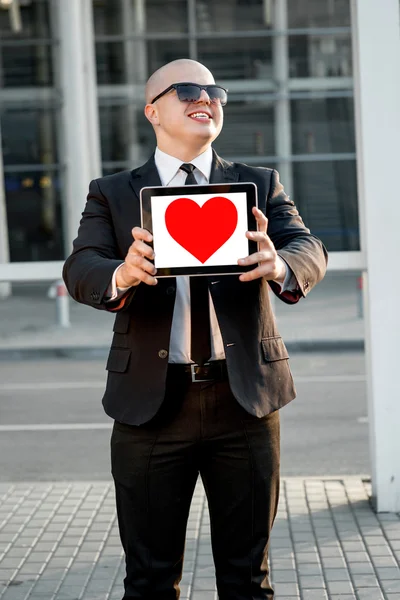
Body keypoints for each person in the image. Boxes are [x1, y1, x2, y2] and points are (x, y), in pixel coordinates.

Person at [63, 59, 327, 600]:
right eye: (186, 89)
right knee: (150, 580)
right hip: (151, 408)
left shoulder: (257, 183)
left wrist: (279, 264)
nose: (204, 97)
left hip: (245, 401)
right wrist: (123, 271)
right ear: (152, 110)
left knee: (247, 579)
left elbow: (309, 246)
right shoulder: (112, 192)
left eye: (213, 90)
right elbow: (80, 265)